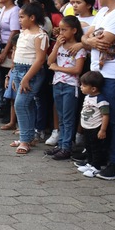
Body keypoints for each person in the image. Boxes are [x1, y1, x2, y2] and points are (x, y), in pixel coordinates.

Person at [81, 0, 115, 180]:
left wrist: (88, 41)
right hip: (98, 72)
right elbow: (87, 37)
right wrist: (88, 40)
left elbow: (106, 41)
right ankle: (99, 159)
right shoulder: (102, 12)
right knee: (100, 117)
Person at [7, 2, 48, 155]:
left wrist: (26, 78)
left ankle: (24, 140)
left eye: (22, 17)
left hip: (31, 73)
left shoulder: (40, 35)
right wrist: (13, 73)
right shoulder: (24, 32)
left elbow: (40, 60)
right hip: (18, 69)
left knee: (21, 104)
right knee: (27, 105)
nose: (20, 20)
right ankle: (28, 136)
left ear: (32, 17)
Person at [44, 16, 87, 160]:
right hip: (57, 84)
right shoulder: (60, 45)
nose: (61, 33)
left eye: (64, 30)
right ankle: (61, 144)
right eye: (60, 29)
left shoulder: (79, 49)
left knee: (68, 118)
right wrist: (56, 46)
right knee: (61, 117)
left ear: (74, 30)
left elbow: (77, 70)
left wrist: (58, 68)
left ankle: (66, 147)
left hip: (70, 85)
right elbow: (49, 61)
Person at [74, 71, 110, 177]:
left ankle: (97, 167)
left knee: (96, 148)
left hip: (96, 127)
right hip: (87, 127)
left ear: (93, 88)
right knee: (88, 146)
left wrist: (102, 130)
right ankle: (89, 163)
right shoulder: (87, 97)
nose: (81, 87)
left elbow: (105, 115)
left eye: (84, 85)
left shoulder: (101, 100)